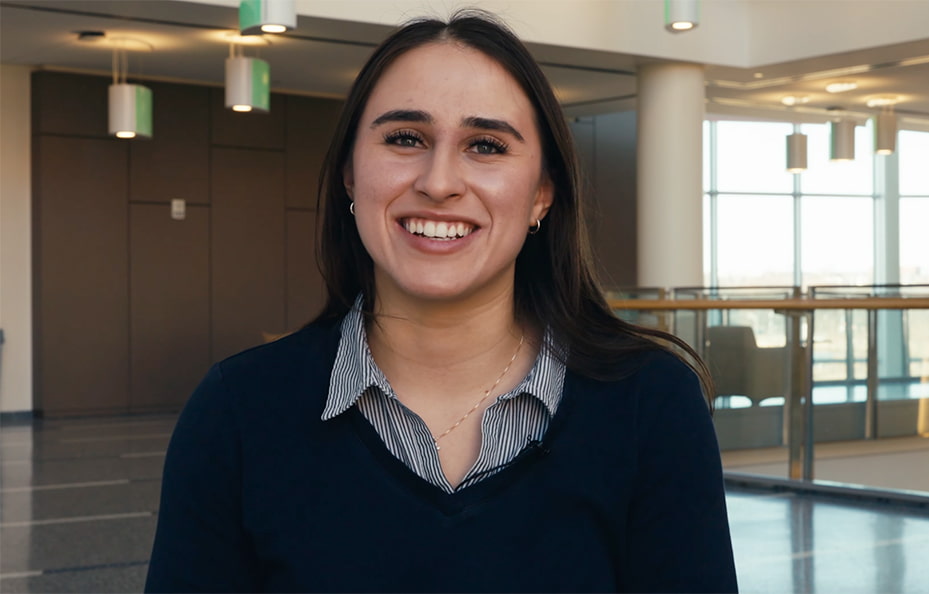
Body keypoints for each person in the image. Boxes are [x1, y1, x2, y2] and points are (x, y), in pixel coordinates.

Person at [145, 9, 737, 593]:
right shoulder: (238, 413)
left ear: (542, 195)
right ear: (351, 175)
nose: (439, 181)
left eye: (486, 145)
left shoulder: (652, 406)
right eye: (405, 138)